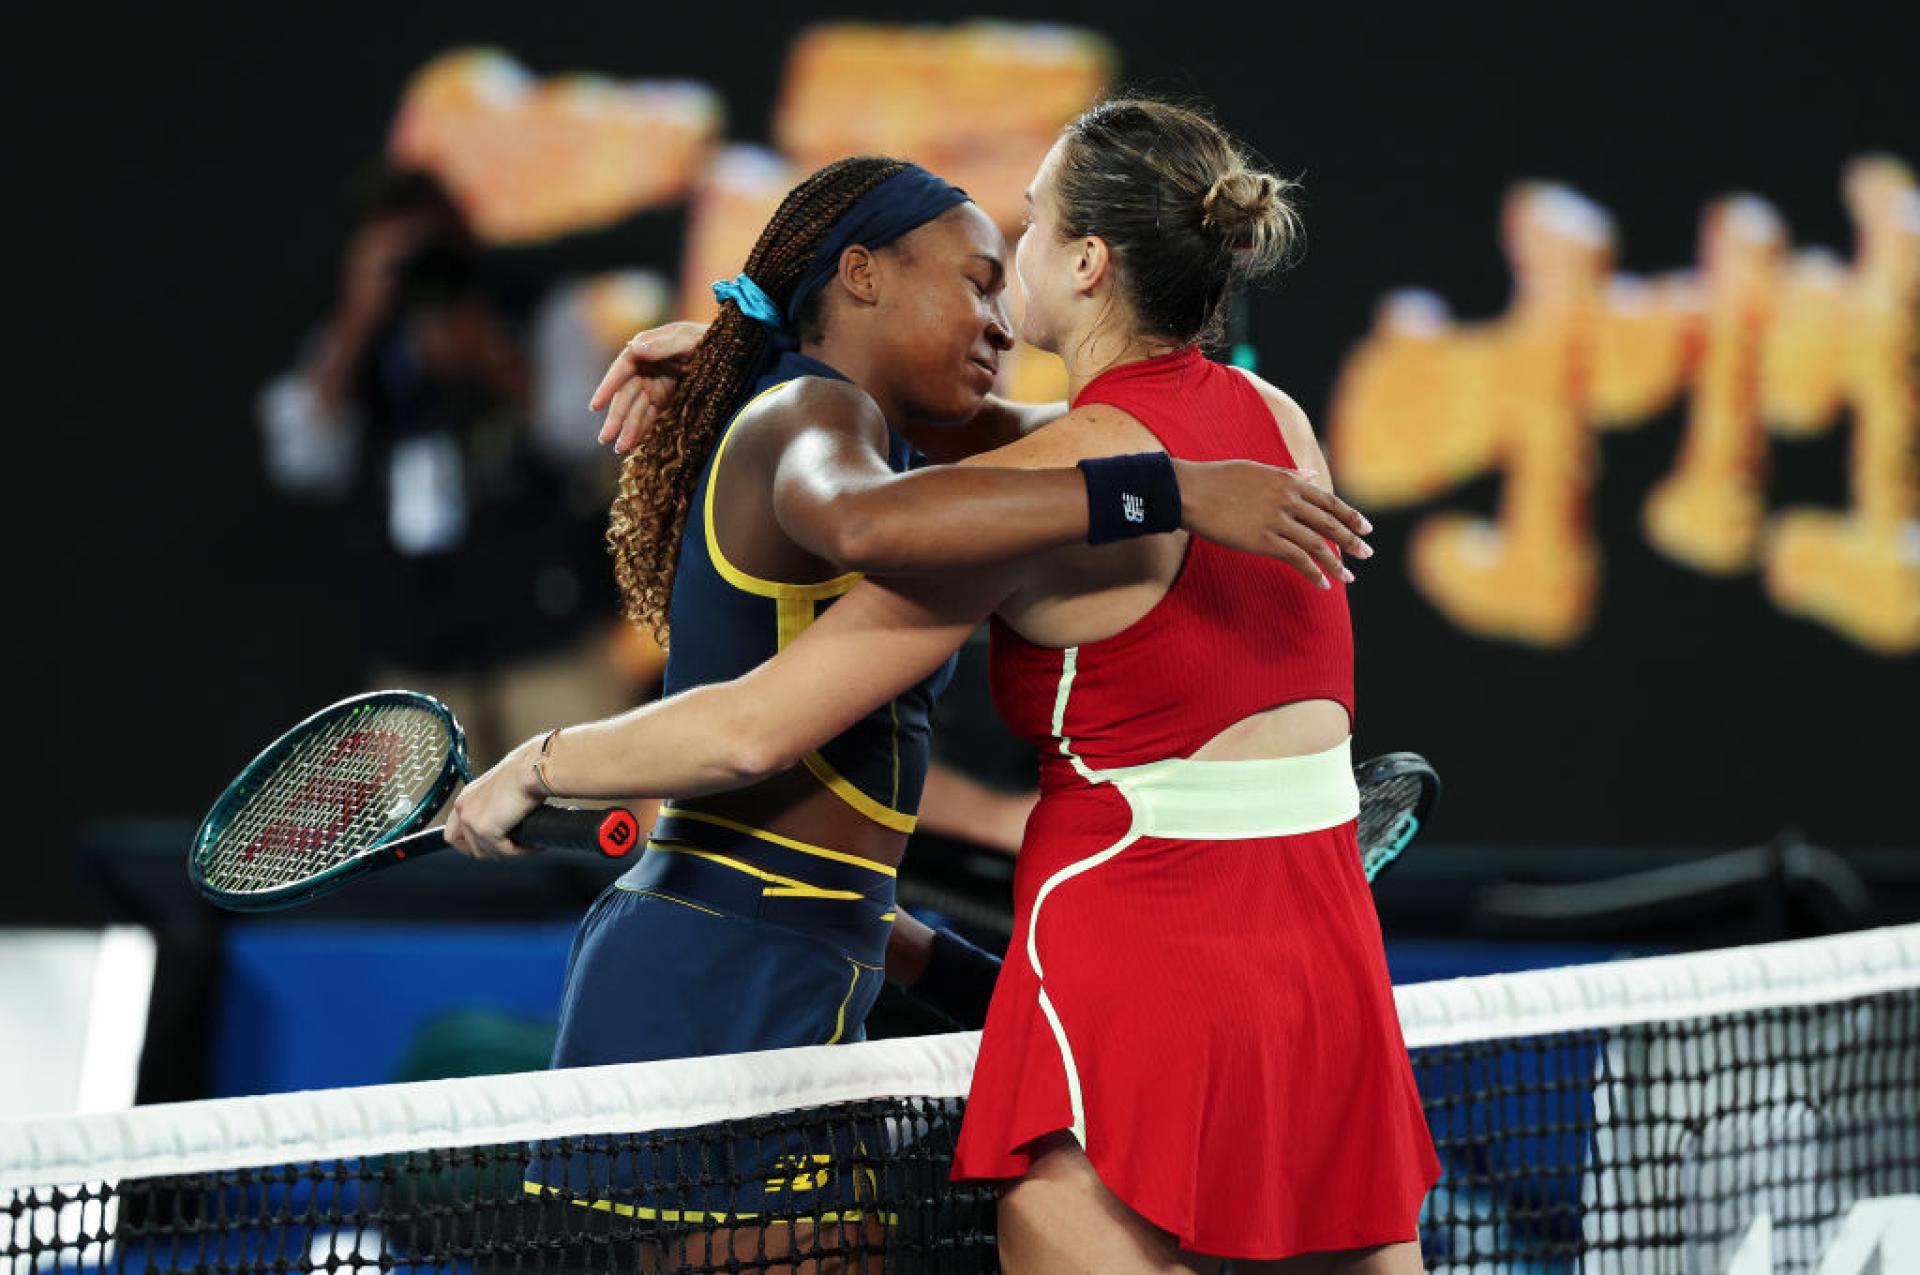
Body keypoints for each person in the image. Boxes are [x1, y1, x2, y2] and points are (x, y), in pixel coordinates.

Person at [451, 99, 1436, 1273]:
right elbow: (1004, 452)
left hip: (1131, 970)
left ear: (1085, 261)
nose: (1002, 280)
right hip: (1323, 970)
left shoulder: (1048, 484)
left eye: (1021, 241)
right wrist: (746, 355)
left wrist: (533, 762)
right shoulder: (1273, 424)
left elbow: (763, 719)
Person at [258, 168, 630, 768]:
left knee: (583, 812)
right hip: (418, 651)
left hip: (547, 634)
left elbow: (589, 435)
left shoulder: (535, 308)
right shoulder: (359, 347)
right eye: (394, 262)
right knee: (432, 839)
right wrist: (356, 322)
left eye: (426, 255)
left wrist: (493, 360)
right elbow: (301, 455)